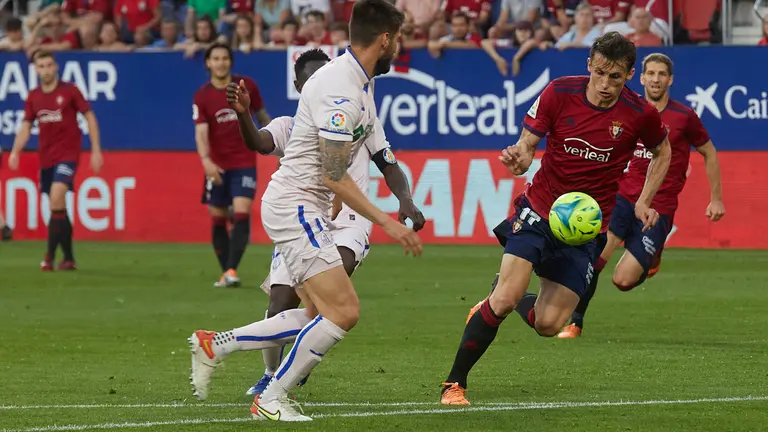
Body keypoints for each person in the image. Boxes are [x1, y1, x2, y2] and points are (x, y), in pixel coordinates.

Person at [189, 0, 419, 422]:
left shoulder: (360, 86)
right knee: (344, 311)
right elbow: (334, 175)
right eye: (398, 39)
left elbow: (365, 163)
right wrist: (388, 222)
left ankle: (215, 344)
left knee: (314, 313)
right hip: (297, 206)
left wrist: (399, 204)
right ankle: (271, 397)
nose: (400, 47)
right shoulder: (340, 90)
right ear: (384, 39)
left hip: (300, 206)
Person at [441, 32, 672, 406]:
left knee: (548, 325)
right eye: (600, 73)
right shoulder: (559, 92)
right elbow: (527, 145)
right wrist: (520, 157)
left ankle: (503, 293)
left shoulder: (640, 113)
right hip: (540, 211)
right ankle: (454, 384)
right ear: (589, 66)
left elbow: (664, 152)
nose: (606, 84)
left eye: (616, 76)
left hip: (584, 230)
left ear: (630, 75)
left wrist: (646, 199)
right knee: (503, 301)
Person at [222, 48, 425, 396]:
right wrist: (244, 115)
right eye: (311, 76)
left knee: (328, 300)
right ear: (301, 85)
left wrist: (405, 200)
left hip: (349, 222)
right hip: (302, 217)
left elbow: (388, 163)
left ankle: (271, 370)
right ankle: (271, 374)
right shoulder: (291, 125)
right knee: (280, 302)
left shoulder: (354, 116)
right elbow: (258, 142)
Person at [557, 53, 725, 339]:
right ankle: (575, 321)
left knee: (623, 280)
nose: (656, 79)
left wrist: (716, 198)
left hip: (659, 205)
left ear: (670, 79)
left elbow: (708, 151)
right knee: (596, 259)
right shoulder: (628, 111)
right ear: (642, 77)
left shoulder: (684, 117)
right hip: (621, 197)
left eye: (662, 74)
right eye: (651, 73)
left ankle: (652, 257)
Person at [9, 50, 104, 270]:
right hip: (46, 157)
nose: (45, 70)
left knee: (57, 196)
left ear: (56, 67)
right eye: (40, 66)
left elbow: (89, 116)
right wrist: (15, 150)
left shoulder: (70, 91)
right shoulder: (33, 96)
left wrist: (97, 149)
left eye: (48, 65)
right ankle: (68, 258)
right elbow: (25, 125)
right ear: (36, 70)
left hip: (68, 155)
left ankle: (49, 256)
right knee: (58, 207)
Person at [193, 42, 271, 288]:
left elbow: (262, 116)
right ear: (208, 63)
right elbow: (201, 132)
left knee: (241, 212)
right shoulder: (202, 96)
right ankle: (226, 270)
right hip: (217, 165)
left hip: (244, 161)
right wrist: (206, 162)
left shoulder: (245, 87)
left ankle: (231, 269)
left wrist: (275, 142)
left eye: (224, 58)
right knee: (217, 216)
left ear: (230, 61)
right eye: (215, 58)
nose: (220, 62)